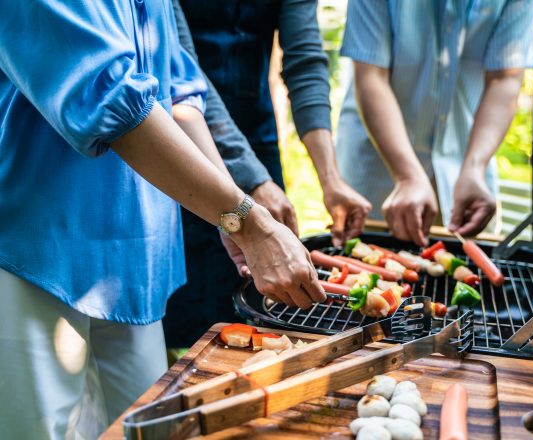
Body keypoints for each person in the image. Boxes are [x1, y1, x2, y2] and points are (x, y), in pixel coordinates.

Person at [0, 1, 324, 438]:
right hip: (35, 255)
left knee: (153, 431)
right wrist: (249, 223)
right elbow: (108, 97)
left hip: (134, 259)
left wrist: (229, 218)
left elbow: (180, 95)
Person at [163, 0, 372, 348]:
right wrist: (252, 182)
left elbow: (305, 62)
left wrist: (331, 179)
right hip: (175, 131)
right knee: (185, 305)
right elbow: (182, 76)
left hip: (255, 131)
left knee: (255, 295)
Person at [336, 0, 533, 245]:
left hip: (465, 163)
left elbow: (504, 79)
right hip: (378, 165)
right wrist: (407, 176)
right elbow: (371, 77)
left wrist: (475, 168)